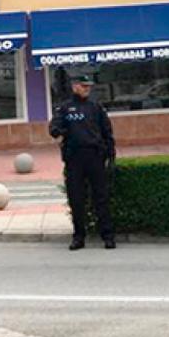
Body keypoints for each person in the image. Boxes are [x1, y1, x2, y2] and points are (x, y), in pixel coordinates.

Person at [50, 74, 116, 251]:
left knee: (101, 197)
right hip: (74, 158)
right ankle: (79, 236)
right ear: (74, 87)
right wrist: (58, 131)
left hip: (94, 156)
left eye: (89, 86)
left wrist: (110, 154)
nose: (87, 89)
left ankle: (107, 235)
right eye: (84, 86)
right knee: (76, 199)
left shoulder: (95, 107)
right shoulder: (65, 108)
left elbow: (107, 131)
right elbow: (54, 127)